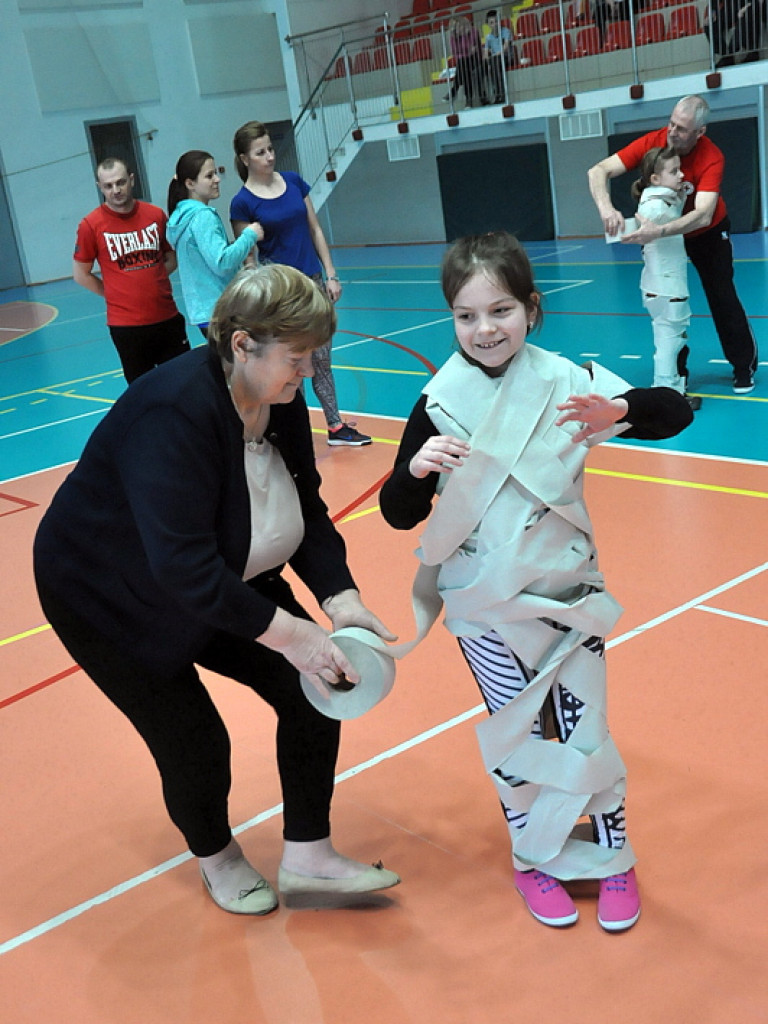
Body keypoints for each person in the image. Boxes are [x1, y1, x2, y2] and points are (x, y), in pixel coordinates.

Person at [34, 264, 400, 916]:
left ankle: (309, 857)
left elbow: (305, 507)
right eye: (298, 356)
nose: (308, 370)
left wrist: (341, 601)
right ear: (241, 345)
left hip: (222, 574)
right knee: (194, 739)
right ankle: (217, 855)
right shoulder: (173, 413)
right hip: (108, 594)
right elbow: (183, 569)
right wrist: (296, 635)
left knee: (315, 691)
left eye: (314, 354)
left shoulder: (276, 397)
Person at [379, 232, 692, 931]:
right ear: (451, 319)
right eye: (466, 316)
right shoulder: (437, 402)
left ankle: (612, 859)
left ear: (531, 308)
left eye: (500, 311)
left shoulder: (567, 380)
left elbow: (674, 413)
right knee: (519, 736)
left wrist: (626, 412)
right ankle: (534, 858)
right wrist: (414, 470)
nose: (485, 329)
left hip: (567, 596)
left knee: (584, 733)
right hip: (483, 607)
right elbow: (398, 513)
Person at [588, 95, 759, 394]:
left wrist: (660, 230)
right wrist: (606, 209)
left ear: (699, 132)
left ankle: (743, 366)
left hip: (706, 232)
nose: (672, 131)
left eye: (681, 128)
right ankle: (676, 376)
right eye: (671, 123)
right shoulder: (652, 142)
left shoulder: (712, 157)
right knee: (669, 302)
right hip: (664, 235)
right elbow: (597, 171)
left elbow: (703, 214)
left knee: (722, 296)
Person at [230, 121, 371, 447]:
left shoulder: (293, 182)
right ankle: (296, 433)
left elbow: (315, 230)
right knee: (291, 364)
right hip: (281, 294)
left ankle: (336, 428)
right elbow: (248, 257)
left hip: (314, 283)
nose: (269, 156)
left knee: (322, 359)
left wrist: (331, 273)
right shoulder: (242, 202)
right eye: (260, 152)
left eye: (270, 149)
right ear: (244, 158)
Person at [73, 157, 190, 383]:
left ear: (132, 180)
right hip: (127, 328)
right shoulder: (90, 225)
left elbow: (171, 258)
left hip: (166, 318)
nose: (116, 190)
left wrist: (150, 279)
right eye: (108, 186)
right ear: (100, 187)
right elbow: (81, 274)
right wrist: (115, 292)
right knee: (143, 393)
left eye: (121, 182)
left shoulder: (155, 215)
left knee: (183, 384)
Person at [631, 146, 701, 411]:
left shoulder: (664, 199)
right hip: (664, 285)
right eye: (674, 171)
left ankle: (671, 390)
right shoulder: (652, 205)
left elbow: (671, 211)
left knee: (676, 338)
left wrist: (682, 193)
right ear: (655, 179)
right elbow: (652, 217)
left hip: (667, 284)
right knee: (668, 343)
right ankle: (666, 395)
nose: (681, 174)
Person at [166, 150, 261, 337]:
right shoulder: (202, 217)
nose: (217, 179)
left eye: (216, 173)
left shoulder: (180, 216)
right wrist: (250, 235)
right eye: (209, 176)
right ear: (190, 183)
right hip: (219, 312)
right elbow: (222, 262)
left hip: (205, 312)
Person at [447, 16, 486, 108]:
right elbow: (455, 53)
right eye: (455, 28)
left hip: (476, 59)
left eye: (458, 27)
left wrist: (465, 52)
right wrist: (465, 53)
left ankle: (454, 91)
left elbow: (473, 50)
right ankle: (468, 100)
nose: (456, 29)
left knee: (463, 64)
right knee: (465, 70)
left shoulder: (473, 32)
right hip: (464, 62)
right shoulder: (453, 37)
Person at [483, 10, 513, 105]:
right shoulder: (488, 37)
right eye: (492, 23)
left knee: (495, 62)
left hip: (506, 57)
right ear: (488, 24)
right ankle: (492, 95)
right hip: (495, 60)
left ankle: (501, 94)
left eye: (496, 21)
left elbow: (505, 48)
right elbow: (486, 52)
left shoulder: (506, 31)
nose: (495, 24)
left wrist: (494, 56)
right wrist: (487, 59)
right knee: (489, 65)